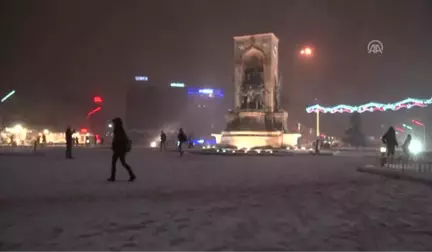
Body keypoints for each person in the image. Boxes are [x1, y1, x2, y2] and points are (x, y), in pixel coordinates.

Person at [108, 117, 136, 182]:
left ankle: (113, 177)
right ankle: (131, 175)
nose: (113, 124)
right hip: (120, 149)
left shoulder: (118, 129)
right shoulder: (119, 129)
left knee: (119, 163)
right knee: (120, 163)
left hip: (119, 149)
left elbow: (118, 140)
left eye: (114, 122)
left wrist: (114, 145)